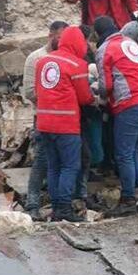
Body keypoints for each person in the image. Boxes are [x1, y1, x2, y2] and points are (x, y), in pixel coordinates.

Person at [93, 16, 138, 217]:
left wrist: (98, 93)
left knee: (123, 154)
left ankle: (128, 199)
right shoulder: (130, 43)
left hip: (129, 104)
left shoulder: (105, 48)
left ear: (96, 33)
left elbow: (106, 85)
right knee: (133, 152)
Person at [35, 26, 95, 222]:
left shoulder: (43, 62)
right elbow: (85, 97)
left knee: (53, 167)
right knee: (70, 166)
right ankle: (64, 209)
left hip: (44, 122)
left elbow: (37, 91)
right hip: (66, 123)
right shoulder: (77, 64)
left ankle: (56, 209)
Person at [21, 21, 68, 220]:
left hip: (66, 119)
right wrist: (54, 98)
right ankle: (32, 204)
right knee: (41, 160)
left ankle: (65, 202)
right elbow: (30, 92)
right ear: (50, 35)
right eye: (59, 37)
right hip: (44, 117)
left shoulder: (67, 57)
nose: (62, 41)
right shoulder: (36, 58)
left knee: (67, 161)